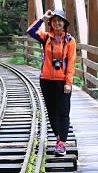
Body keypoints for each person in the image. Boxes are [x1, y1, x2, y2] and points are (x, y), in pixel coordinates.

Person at [26, 8, 77, 156]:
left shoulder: (70, 41)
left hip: (62, 82)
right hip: (46, 80)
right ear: (51, 23)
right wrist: (42, 18)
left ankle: (62, 143)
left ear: (64, 24)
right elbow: (30, 31)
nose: (57, 23)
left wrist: (68, 82)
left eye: (60, 21)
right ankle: (58, 139)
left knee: (63, 112)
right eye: (54, 21)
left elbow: (72, 63)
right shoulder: (46, 37)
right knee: (52, 112)